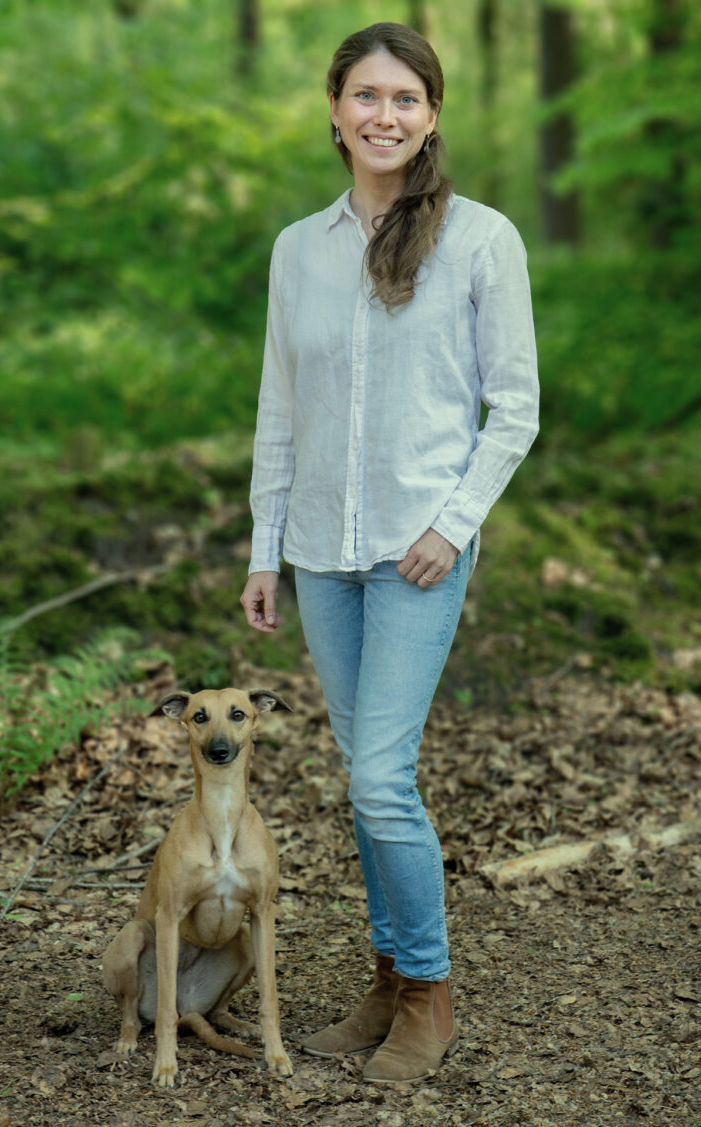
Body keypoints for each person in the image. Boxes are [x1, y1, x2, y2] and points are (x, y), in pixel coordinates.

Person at [240, 22, 539, 1084]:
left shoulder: (482, 240)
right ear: (334, 109)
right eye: (367, 95)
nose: (384, 115)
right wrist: (264, 546)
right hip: (322, 549)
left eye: (406, 98)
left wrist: (450, 524)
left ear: (433, 116)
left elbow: (515, 408)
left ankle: (428, 992)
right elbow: (282, 405)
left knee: (378, 776)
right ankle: (384, 978)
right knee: (366, 780)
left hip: (419, 552)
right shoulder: (298, 248)